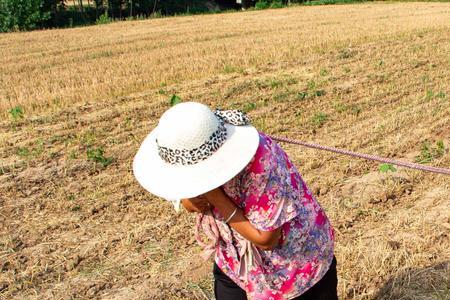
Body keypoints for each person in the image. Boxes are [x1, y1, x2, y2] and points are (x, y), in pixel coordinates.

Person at [133, 102, 337, 300]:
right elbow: (189, 204)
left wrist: (214, 196)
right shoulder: (183, 150)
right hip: (234, 259)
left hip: (293, 264)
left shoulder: (262, 164)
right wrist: (194, 195)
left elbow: (267, 239)